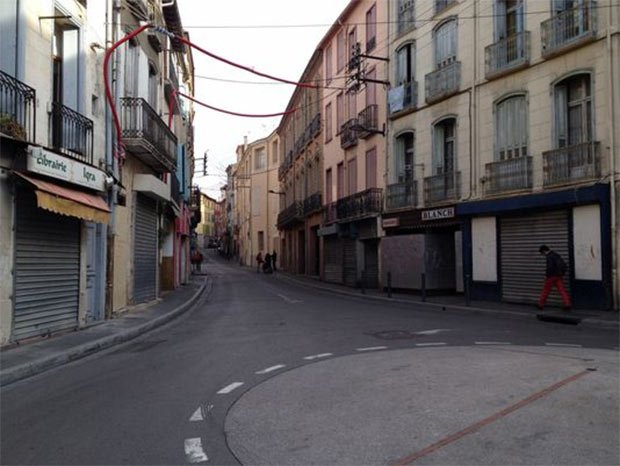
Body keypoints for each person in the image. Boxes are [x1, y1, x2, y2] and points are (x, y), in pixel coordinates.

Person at [537, 245, 571, 311]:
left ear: (544, 251)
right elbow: (563, 264)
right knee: (562, 290)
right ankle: (567, 304)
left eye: (542, 253)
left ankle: (540, 305)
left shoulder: (549, 256)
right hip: (559, 276)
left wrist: (547, 276)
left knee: (546, 290)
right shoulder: (556, 254)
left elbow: (550, 267)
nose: (543, 254)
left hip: (551, 276)